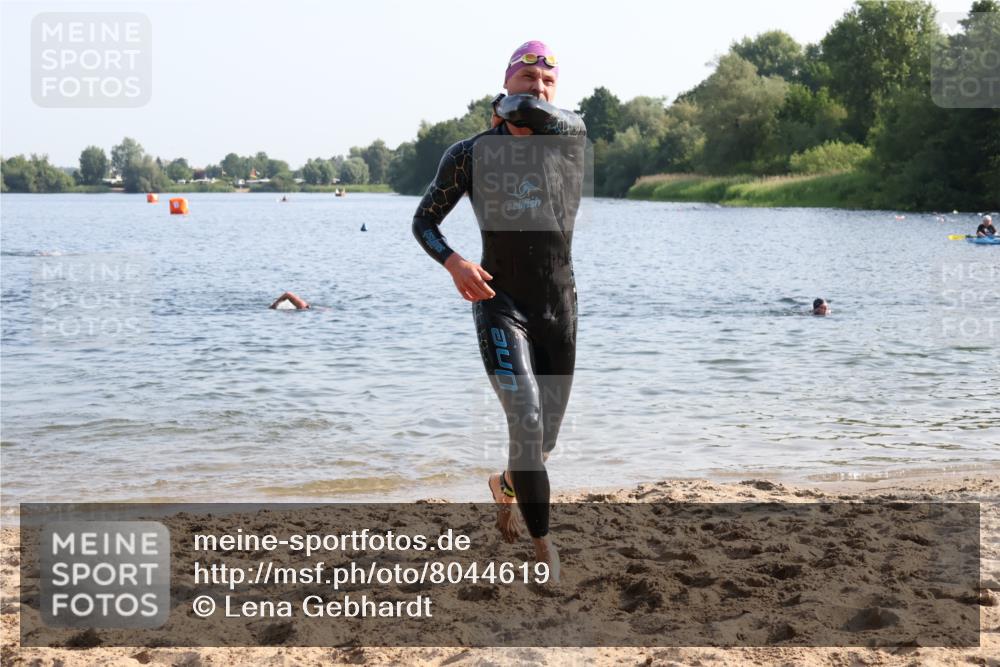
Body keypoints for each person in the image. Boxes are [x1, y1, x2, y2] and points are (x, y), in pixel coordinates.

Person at [411, 40, 586, 581]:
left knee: (543, 443)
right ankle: (544, 550)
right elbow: (423, 221)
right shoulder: (469, 154)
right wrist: (454, 262)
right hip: (499, 303)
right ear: (506, 79)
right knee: (526, 420)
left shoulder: (569, 136)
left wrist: (511, 103)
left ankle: (504, 484)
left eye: (548, 80)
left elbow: (532, 112)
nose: (539, 88)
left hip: (558, 307)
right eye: (528, 77)